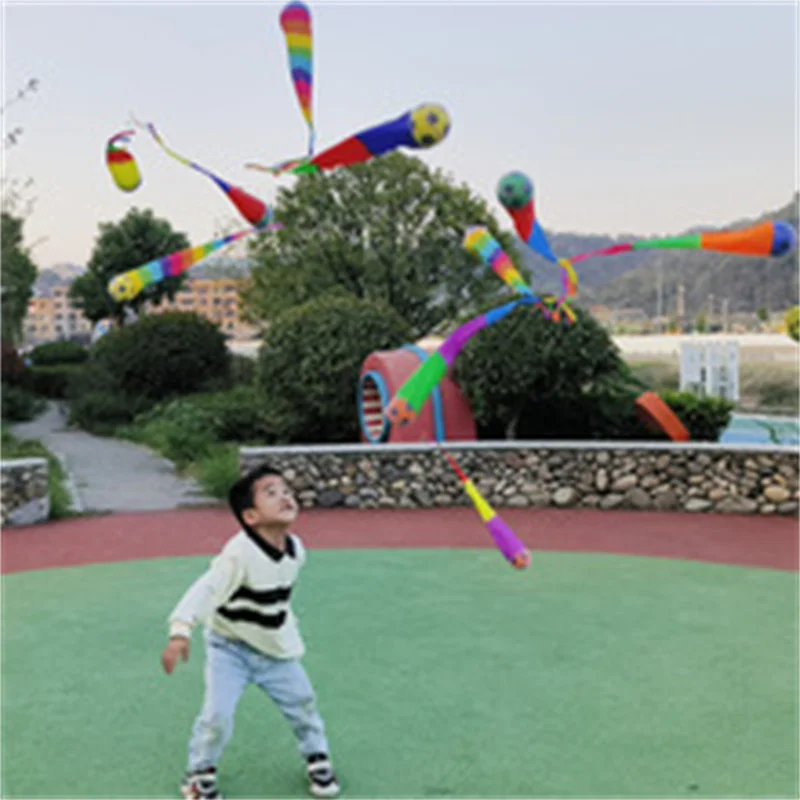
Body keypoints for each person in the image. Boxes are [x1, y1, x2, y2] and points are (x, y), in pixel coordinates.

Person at [161, 463, 340, 800]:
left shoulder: (296, 549)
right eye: (271, 493)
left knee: (303, 702)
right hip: (229, 649)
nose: (285, 495)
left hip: (275, 648)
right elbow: (207, 589)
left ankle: (317, 756)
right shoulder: (237, 554)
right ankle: (199, 773)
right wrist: (180, 630)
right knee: (217, 715)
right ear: (251, 516)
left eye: (286, 490)